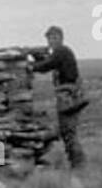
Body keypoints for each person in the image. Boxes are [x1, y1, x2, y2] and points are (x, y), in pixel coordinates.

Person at [26, 26, 86, 169]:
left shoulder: (61, 51)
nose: (50, 41)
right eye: (49, 38)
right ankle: (76, 164)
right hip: (69, 95)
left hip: (68, 96)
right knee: (67, 130)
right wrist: (37, 58)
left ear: (60, 37)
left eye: (53, 38)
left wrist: (31, 66)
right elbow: (49, 62)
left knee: (68, 131)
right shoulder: (61, 53)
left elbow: (47, 64)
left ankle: (78, 164)